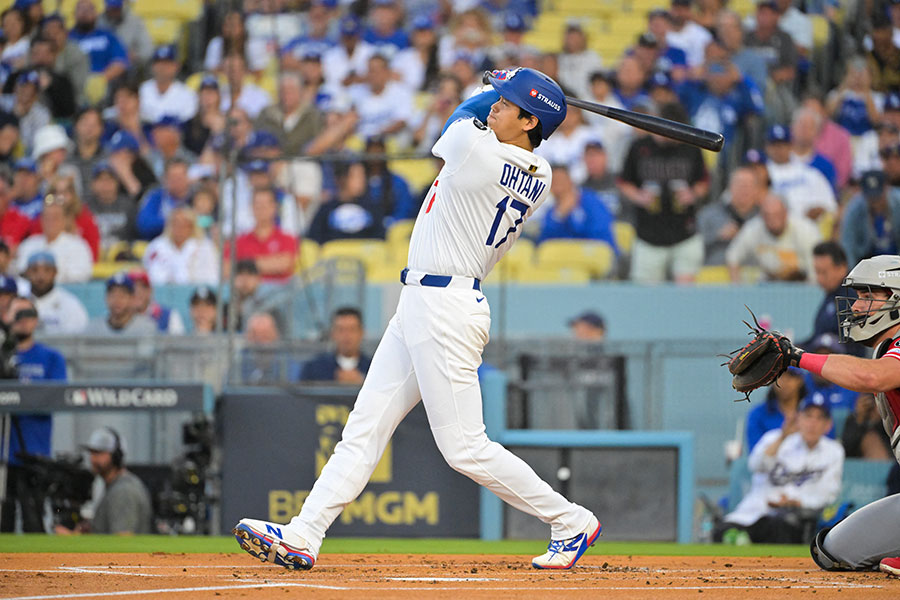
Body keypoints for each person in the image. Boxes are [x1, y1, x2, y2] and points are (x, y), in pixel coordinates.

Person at [234, 67, 601, 572]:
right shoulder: (541, 174)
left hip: (446, 307)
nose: (496, 104)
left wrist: (491, 85)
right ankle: (304, 533)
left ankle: (570, 520)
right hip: (426, 302)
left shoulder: (478, 149)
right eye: (499, 99)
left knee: (465, 448)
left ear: (529, 121)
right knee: (363, 428)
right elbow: (484, 123)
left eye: (508, 102)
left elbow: (457, 120)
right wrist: (512, 88)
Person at [756, 254, 900, 575]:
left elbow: (872, 377)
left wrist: (796, 357)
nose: (858, 306)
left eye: (868, 295)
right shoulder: (885, 349)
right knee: (832, 550)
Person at [720, 396, 844, 544]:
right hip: (755, 511)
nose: (812, 423)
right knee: (721, 532)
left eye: (819, 418)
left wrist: (797, 502)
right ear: (798, 419)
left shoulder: (834, 451)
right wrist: (782, 437)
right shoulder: (773, 438)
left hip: (793, 518)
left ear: (828, 425)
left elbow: (828, 493)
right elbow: (755, 466)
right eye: (808, 416)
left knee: (780, 526)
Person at [618, 102, 708, 284]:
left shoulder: (691, 147)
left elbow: (704, 181)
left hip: (684, 232)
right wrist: (639, 196)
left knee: (686, 294)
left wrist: (693, 194)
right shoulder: (639, 147)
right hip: (648, 233)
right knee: (645, 295)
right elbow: (624, 182)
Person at [0, 295, 67, 533]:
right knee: (3, 521)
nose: (22, 321)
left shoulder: (51, 358)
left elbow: (57, 398)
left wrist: (21, 394)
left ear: (37, 320)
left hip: (34, 452)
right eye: (17, 314)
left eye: (28, 315)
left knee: (34, 520)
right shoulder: (3, 354)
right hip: (3, 453)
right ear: (6, 317)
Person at [55, 428, 152, 534]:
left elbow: (123, 542)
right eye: (91, 453)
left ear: (116, 456)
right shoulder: (116, 486)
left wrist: (71, 541)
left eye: (98, 453)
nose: (92, 459)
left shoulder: (123, 491)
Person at [725, 193, 820, 282]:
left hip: (802, 284)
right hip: (768, 285)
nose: (772, 221)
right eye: (767, 215)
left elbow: (816, 268)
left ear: (786, 213)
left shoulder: (806, 231)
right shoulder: (753, 229)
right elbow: (733, 256)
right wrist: (737, 287)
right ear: (761, 216)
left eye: (777, 215)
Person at [16, 195, 94, 283]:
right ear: (41, 220)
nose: (50, 221)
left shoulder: (78, 245)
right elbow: (20, 272)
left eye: (55, 217)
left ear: (64, 220)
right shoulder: (29, 244)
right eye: (47, 217)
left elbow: (82, 276)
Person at [538, 163, 617, 250]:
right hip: (566, 259)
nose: (558, 186)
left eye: (561, 180)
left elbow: (601, 234)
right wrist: (559, 215)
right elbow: (544, 242)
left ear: (570, 181)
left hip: (596, 256)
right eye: (554, 182)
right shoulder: (552, 212)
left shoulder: (591, 200)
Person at [697, 167, 763, 266]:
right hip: (715, 273)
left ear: (757, 190)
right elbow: (691, 247)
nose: (744, 190)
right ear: (729, 187)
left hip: (755, 274)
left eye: (749, 185)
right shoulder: (709, 214)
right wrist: (718, 236)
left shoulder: (766, 216)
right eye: (740, 184)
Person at [143, 206, 218, 285]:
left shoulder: (205, 246)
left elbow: (212, 278)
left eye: (184, 225)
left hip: (196, 293)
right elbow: (150, 274)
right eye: (175, 224)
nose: (179, 229)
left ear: (192, 227)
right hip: (162, 293)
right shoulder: (157, 246)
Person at [841, 170, 900, 267]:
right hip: (867, 263)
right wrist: (852, 276)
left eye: (878, 197)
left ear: (886, 188)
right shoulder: (854, 208)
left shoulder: (898, 202)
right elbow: (848, 244)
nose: (875, 202)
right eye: (871, 198)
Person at [299, 307, 371, 383]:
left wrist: (362, 381)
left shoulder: (374, 368)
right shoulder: (313, 368)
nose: (347, 335)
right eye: (341, 330)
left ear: (361, 333)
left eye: (352, 329)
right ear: (332, 333)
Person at [23, 251, 88, 334]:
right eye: (35, 270)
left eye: (47, 270)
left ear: (55, 272)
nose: (40, 276)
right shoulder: (18, 303)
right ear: (27, 272)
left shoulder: (70, 305)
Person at [83, 272, 158, 336]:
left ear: (132, 299)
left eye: (122, 296)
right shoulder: (94, 329)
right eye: (113, 295)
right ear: (106, 298)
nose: (117, 300)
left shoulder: (145, 328)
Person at [128, 268, 185, 335]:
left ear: (150, 290)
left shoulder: (169, 316)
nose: (137, 292)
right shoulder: (119, 317)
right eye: (132, 288)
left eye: (143, 287)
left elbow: (178, 343)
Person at [842, 393, 893, 460]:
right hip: (858, 460)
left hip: (888, 456)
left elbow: (893, 439)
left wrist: (880, 418)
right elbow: (847, 448)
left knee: (873, 439)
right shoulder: (853, 419)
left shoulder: (889, 418)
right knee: (870, 439)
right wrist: (859, 419)